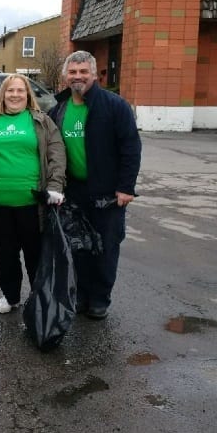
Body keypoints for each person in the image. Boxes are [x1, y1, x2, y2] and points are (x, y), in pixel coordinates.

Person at [49, 50, 142, 319]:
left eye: (83, 72)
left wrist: (126, 187)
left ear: (94, 74)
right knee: (79, 246)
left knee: (105, 246)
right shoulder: (60, 109)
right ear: (66, 75)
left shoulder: (114, 106)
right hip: (74, 191)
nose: (77, 77)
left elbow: (130, 147)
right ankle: (80, 295)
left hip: (107, 192)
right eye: (73, 72)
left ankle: (100, 298)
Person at [0, 74, 67, 314]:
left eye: (20, 90)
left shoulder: (40, 121)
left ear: (28, 95)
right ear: (3, 94)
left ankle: (38, 296)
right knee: (5, 254)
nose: (15, 95)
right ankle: (10, 296)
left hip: (31, 203)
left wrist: (55, 186)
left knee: (34, 254)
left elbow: (57, 154)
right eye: (10, 90)